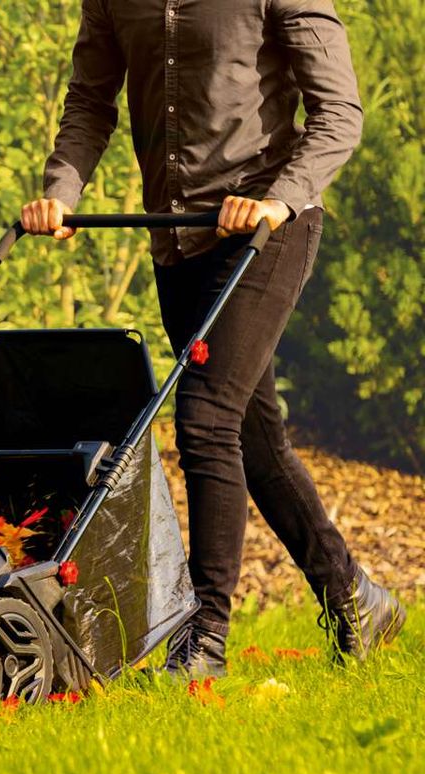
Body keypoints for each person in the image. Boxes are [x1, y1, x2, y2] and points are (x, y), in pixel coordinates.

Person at [21, 0, 404, 676]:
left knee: (204, 418)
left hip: (268, 228)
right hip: (178, 239)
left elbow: (340, 114)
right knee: (254, 438)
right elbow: (89, 101)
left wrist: (280, 198)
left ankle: (204, 636)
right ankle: (355, 597)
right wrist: (63, 189)